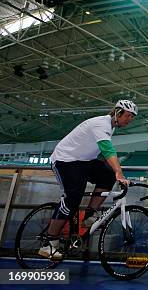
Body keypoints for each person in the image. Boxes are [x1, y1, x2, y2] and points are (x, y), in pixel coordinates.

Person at [39, 100, 137, 259]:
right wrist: (119, 172)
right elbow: (107, 149)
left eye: (132, 117)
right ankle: (49, 243)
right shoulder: (101, 124)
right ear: (118, 113)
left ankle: (90, 216)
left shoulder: (110, 127)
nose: (130, 119)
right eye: (128, 115)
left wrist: (113, 172)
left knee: (107, 174)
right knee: (72, 198)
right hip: (65, 161)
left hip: (82, 161)